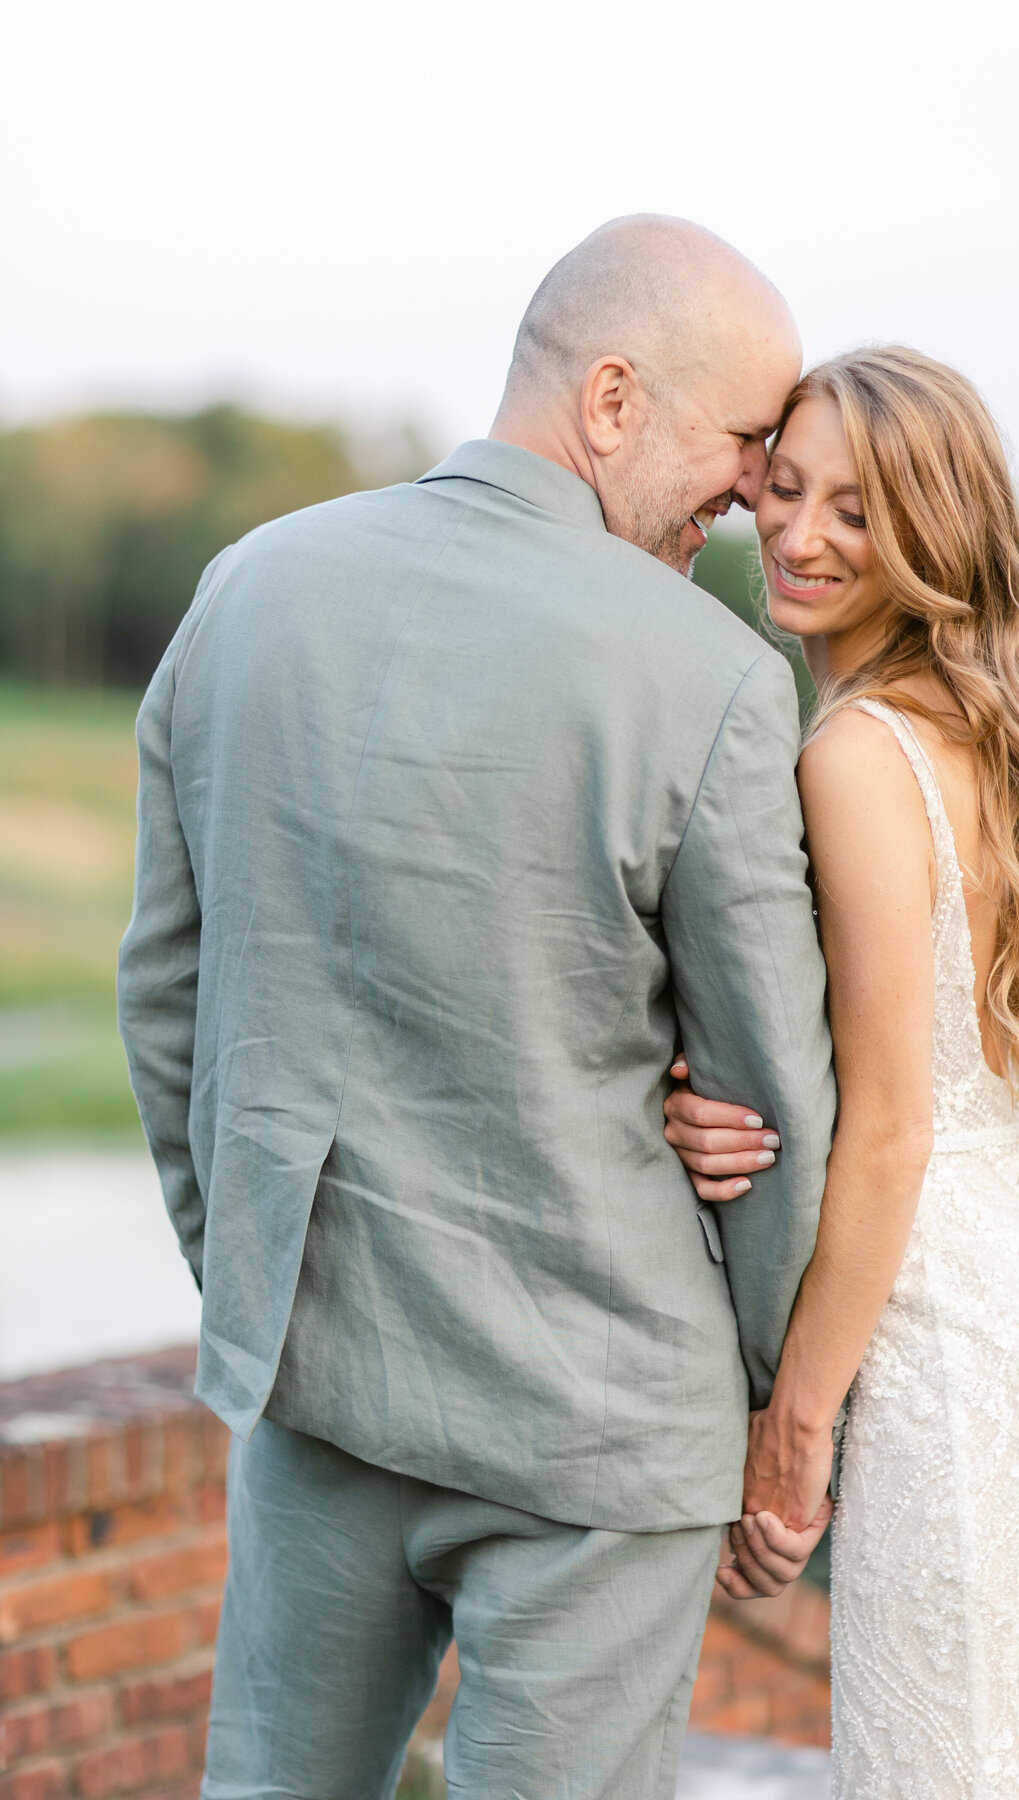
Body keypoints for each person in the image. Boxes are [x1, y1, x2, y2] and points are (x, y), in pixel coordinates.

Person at [116, 216, 837, 1800]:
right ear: (612, 398)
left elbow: (165, 1006)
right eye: (737, 444)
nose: (745, 491)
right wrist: (781, 1413)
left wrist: (258, 1280)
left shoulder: (247, 589)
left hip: (317, 1392)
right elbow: (775, 1098)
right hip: (603, 1432)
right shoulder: (711, 678)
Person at [662, 346, 1019, 1796]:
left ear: (931, 541)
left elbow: (888, 1131)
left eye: (857, 509)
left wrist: (793, 1437)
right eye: (785, 489)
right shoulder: (957, 736)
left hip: (942, 1353)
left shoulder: (853, 754)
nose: (800, 533)